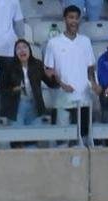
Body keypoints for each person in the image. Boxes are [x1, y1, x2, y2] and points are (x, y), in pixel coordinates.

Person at [42, 5, 95, 133]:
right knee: (62, 139)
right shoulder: (53, 43)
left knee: (84, 137)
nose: (74, 21)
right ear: (64, 19)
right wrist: (62, 84)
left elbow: (91, 67)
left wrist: (93, 83)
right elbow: (48, 70)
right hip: (62, 99)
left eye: (76, 18)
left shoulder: (85, 41)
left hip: (83, 99)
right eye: (71, 18)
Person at [0, 37, 53, 124]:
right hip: (16, 106)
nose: (22, 50)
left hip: (35, 104)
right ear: (15, 53)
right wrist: (13, 90)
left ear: (29, 50)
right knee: (18, 135)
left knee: (37, 135)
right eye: (18, 48)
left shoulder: (37, 65)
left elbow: (51, 84)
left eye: (25, 47)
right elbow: (0, 89)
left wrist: (53, 77)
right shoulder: (9, 67)